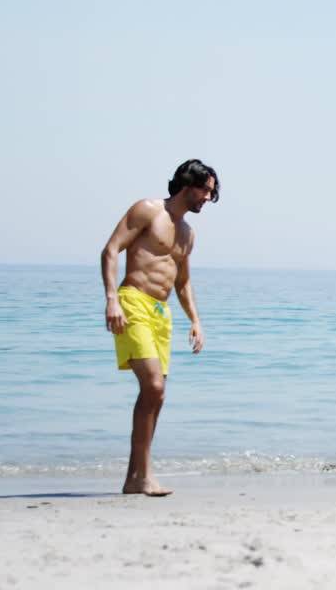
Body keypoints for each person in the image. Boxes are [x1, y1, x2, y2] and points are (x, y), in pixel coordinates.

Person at [100, 159, 219, 496]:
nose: (207, 199)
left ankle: (137, 478)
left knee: (157, 394)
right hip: (133, 302)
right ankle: (141, 476)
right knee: (152, 385)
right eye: (205, 191)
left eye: (211, 193)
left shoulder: (187, 233)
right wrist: (111, 299)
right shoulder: (147, 211)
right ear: (188, 184)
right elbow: (110, 251)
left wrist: (195, 320)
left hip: (160, 313)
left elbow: (182, 282)